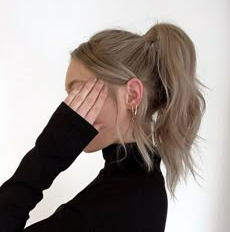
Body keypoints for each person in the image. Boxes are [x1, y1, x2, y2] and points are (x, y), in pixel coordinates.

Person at [0, 21, 207, 231]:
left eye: (81, 93)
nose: (69, 111)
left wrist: (48, 153)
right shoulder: (137, 187)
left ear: (132, 95)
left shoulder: (120, 201)